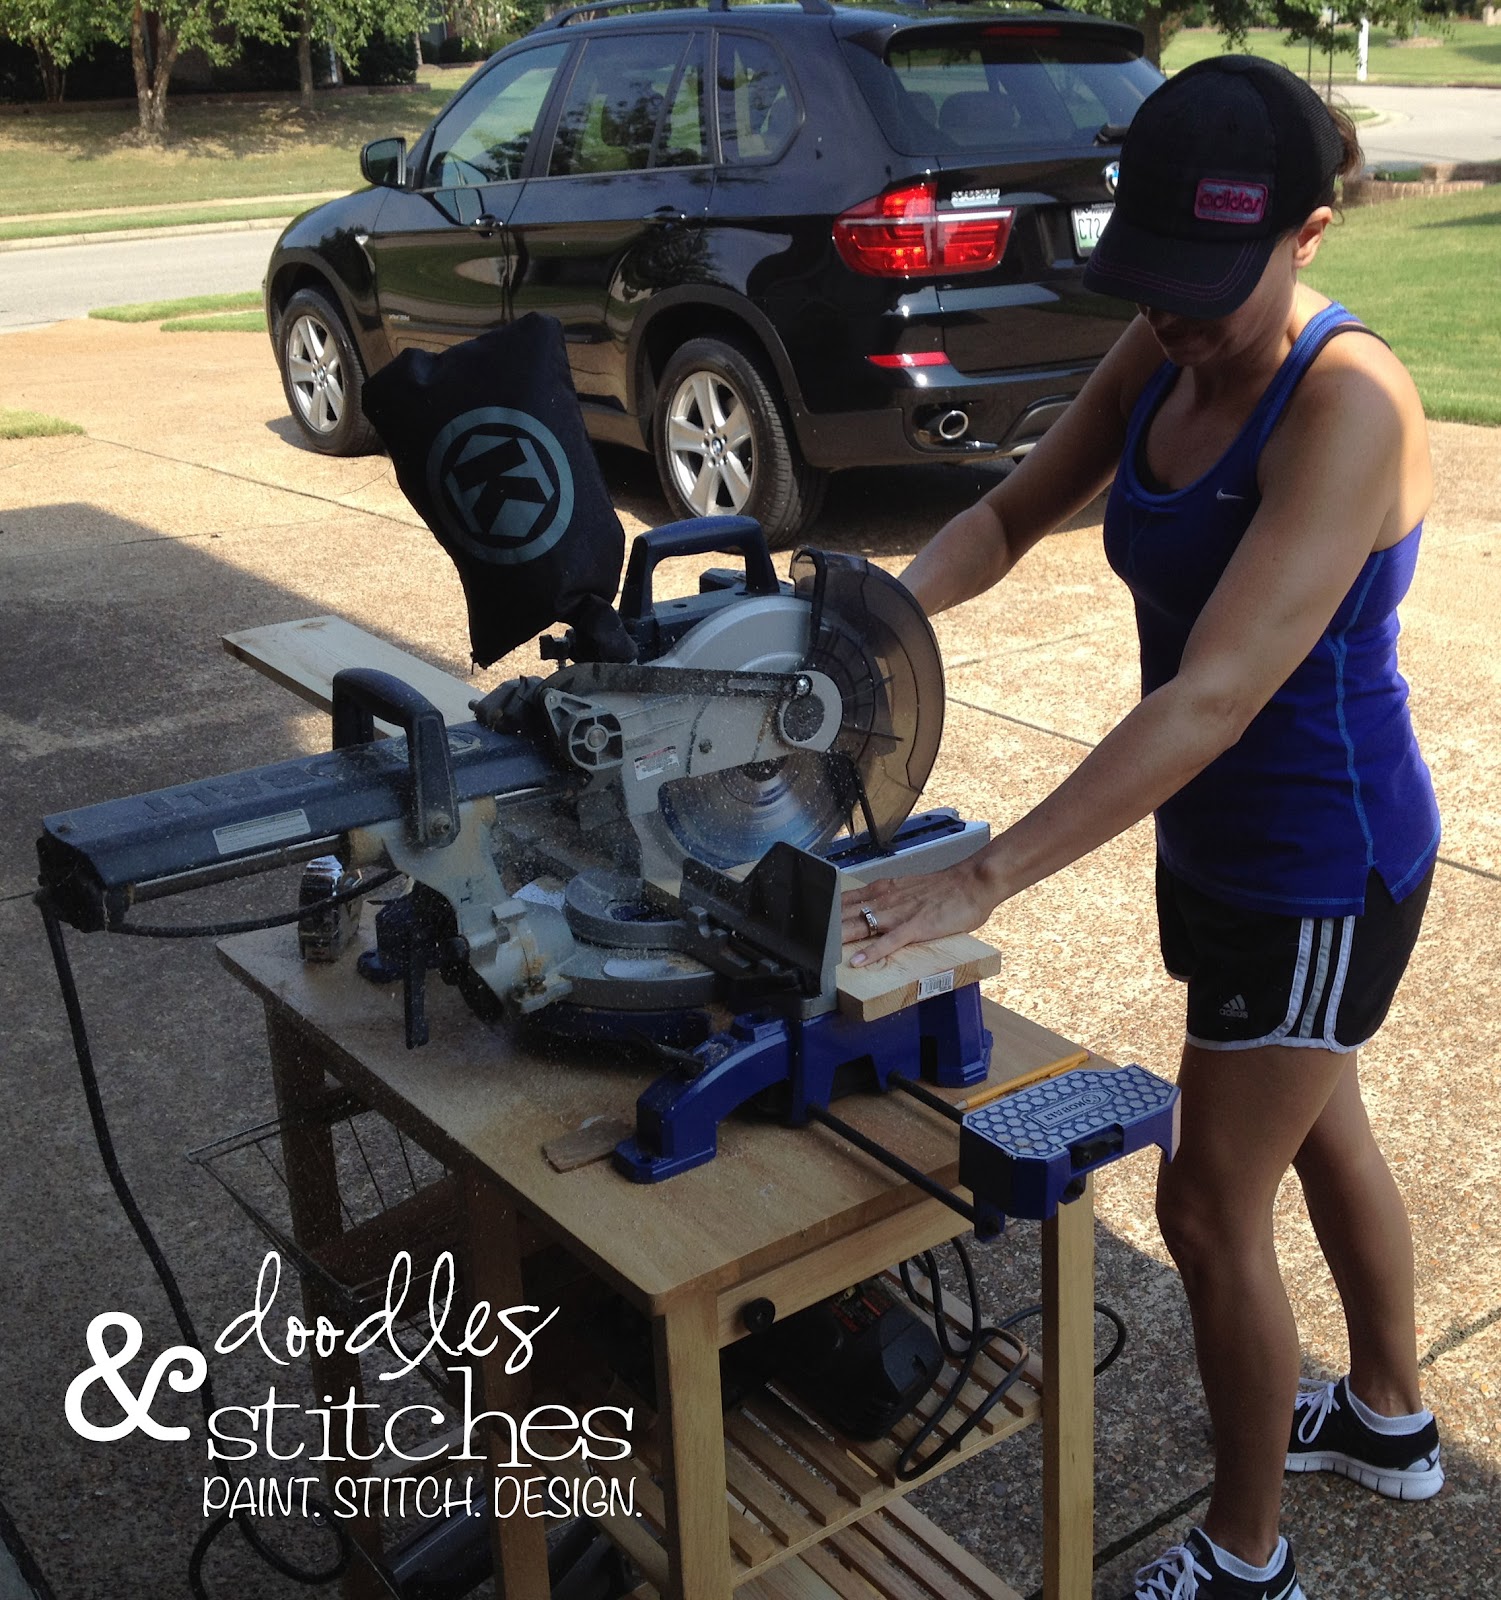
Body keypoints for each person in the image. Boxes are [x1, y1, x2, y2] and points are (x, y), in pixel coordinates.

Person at [842, 56, 1442, 1600]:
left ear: (1308, 232)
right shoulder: (1164, 344)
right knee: (1318, 1131)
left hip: (1320, 858)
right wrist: (854, 622)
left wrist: (974, 874)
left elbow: (1210, 699)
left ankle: (1246, 1562)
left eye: (1206, 284)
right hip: (1222, 847)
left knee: (1202, 1197)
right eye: (1153, 278)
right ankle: (1386, 1417)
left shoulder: (1345, 401)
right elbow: (999, 514)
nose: (1173, 317)